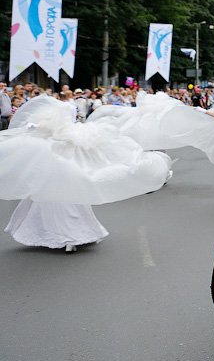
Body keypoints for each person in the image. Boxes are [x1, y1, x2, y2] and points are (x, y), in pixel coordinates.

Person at [1, 96, 172, 252]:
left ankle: (70, 237)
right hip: (61, 178)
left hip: (61, 178)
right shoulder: (64, 133)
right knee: (60, 204)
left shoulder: (63, 133)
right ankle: (69, 237)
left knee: (60, 204)